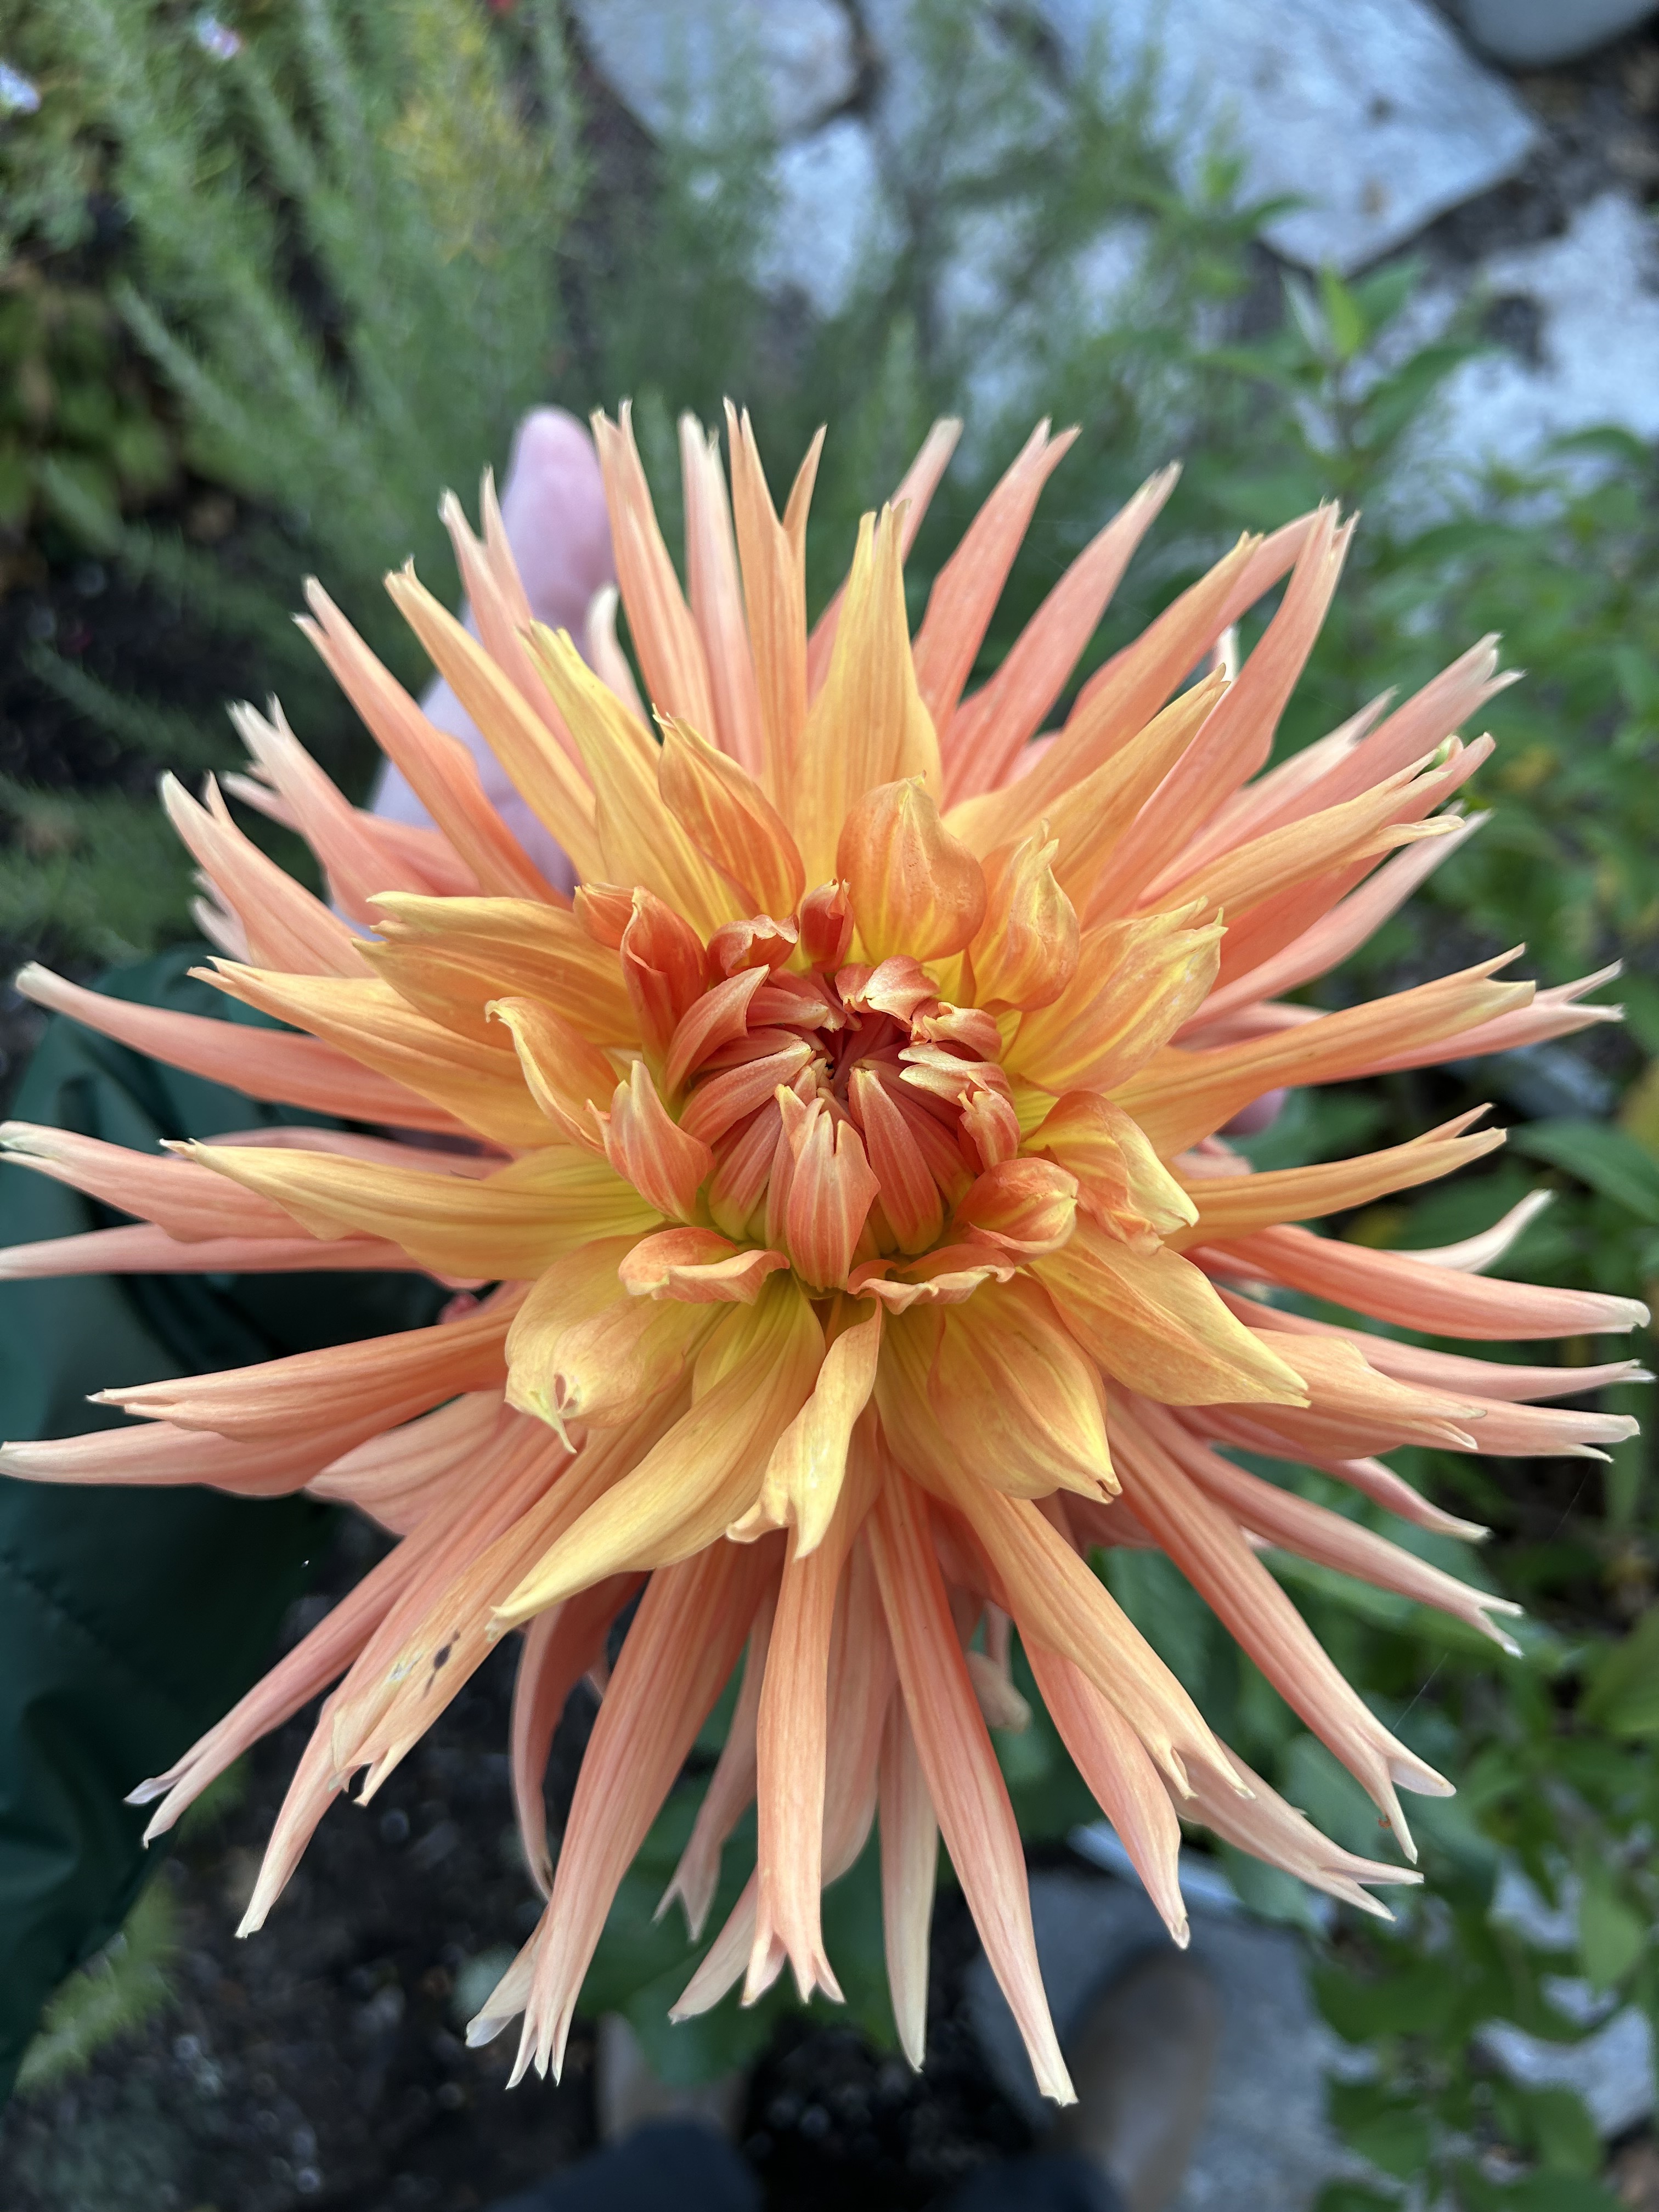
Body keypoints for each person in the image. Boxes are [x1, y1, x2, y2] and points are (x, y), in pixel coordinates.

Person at [0, 408, 1235, 2208]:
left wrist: (205, 1189)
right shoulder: (615, 1292)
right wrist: (257, 1145)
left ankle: (672, 2134)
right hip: (633, 1299)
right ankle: (1046, 2170)